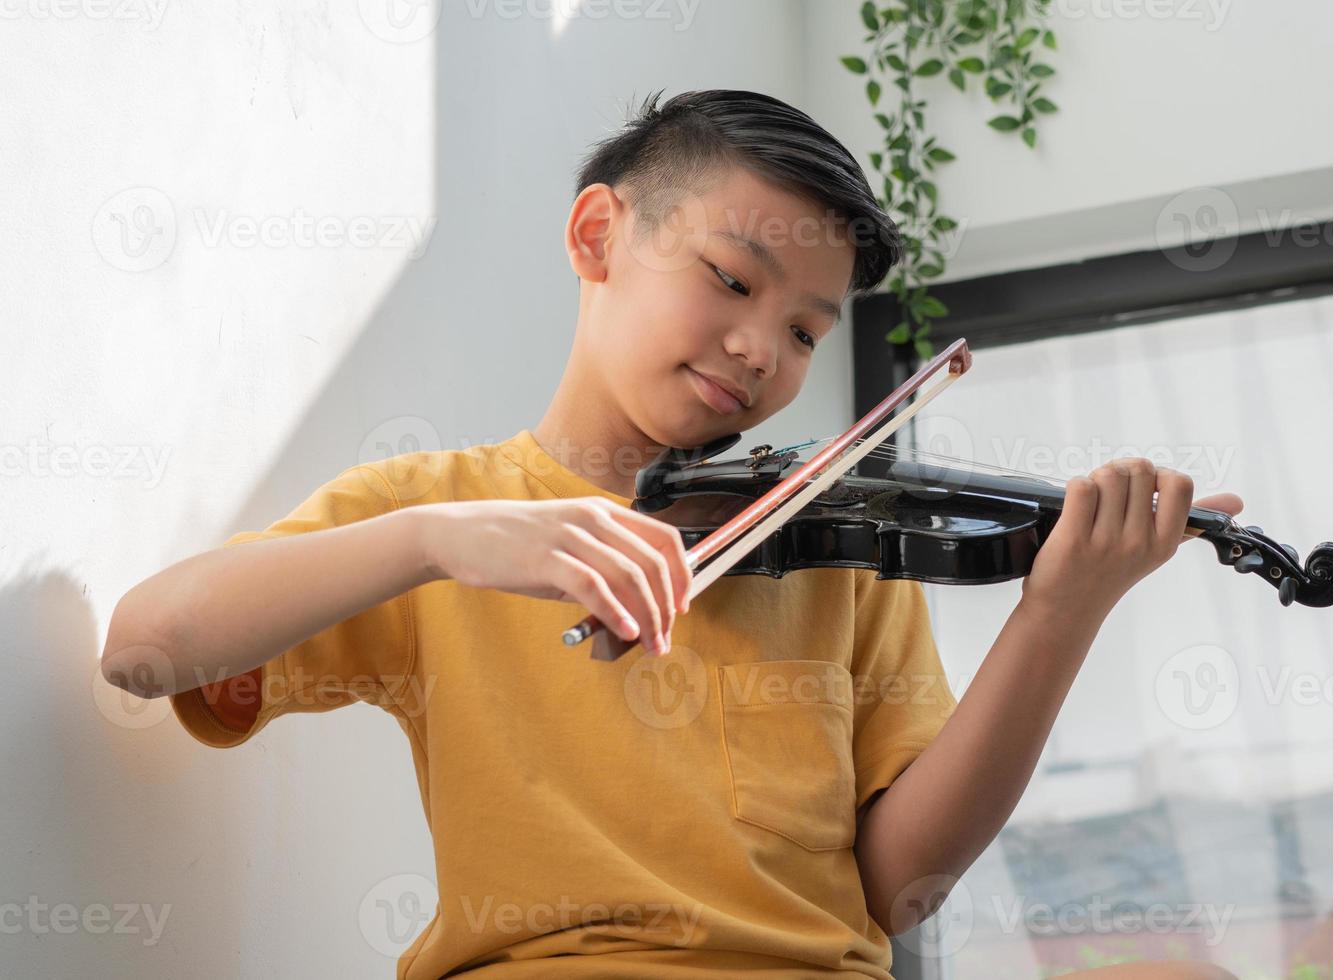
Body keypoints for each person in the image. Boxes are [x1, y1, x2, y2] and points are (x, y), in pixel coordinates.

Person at [102, 88, 1243, 980]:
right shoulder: (447, 511)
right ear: (599, 234)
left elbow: (898, 890)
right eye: (730, 280)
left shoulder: (837, 547)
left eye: (804, 329)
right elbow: (145, 647)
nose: (763, 349)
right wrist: (436, 541)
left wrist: (1060, 612)